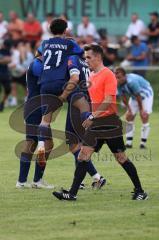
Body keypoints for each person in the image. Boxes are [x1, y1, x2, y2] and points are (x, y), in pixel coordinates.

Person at [53, 44, 148, 201]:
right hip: (96, 123)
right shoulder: (91, 76)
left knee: (121, 158)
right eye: (85, 57)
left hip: (109, 122)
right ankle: (72, 194)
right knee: (83, 156)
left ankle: (140, 191)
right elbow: (95, 100)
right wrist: (90, 115)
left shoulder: (108, 74)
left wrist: (92, 116)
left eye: (89, 57)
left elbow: (109, 100)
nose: (86, 60)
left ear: (98, 57)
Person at [37, 18, 84, 164]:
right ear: (65, 30)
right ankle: (80, 135)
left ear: (51, 30)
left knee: (45, 119)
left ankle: (40, 146)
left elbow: (38, 56)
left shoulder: (45, 43)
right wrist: (71, 39)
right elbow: (81, 55)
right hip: (62, 82)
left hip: (45, 82)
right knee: (77, 105)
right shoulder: (70, 43)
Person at [65, 53, 106, 189]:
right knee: (78, 144)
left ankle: (97, 177)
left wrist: (62, 95)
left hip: (77, 101)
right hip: (86, 100)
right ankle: (80, 181)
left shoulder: (72, 59)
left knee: (72, 143)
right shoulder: (84, 62)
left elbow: (74, 78)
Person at [16, 48, 53, 189]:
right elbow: (46, 80)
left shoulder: (37, 63)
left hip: (37, 107)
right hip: (35, 108)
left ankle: (28, 181)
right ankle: (30, 181)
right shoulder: (37, 64)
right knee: (34, 143)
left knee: (38, 143)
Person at [115, 67, 153, 149]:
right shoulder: (117, 83)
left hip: (146, 95)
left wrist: (142, 109)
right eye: (116, 77)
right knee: (129, 116)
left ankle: (143, 143)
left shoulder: (132, 82)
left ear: (125, 76)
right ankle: (129, 143)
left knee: (144, 116)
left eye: (119, 77)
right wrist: (129, 109)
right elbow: (123, 97)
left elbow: (138, 96)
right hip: (134, 96)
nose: (117, 79)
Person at [0, 39, 12, 111]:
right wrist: (4, 60)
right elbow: (7, 60)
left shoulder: (7, 51)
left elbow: (9, 60)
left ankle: (2, 103)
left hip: (5, 73)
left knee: (8, 89)